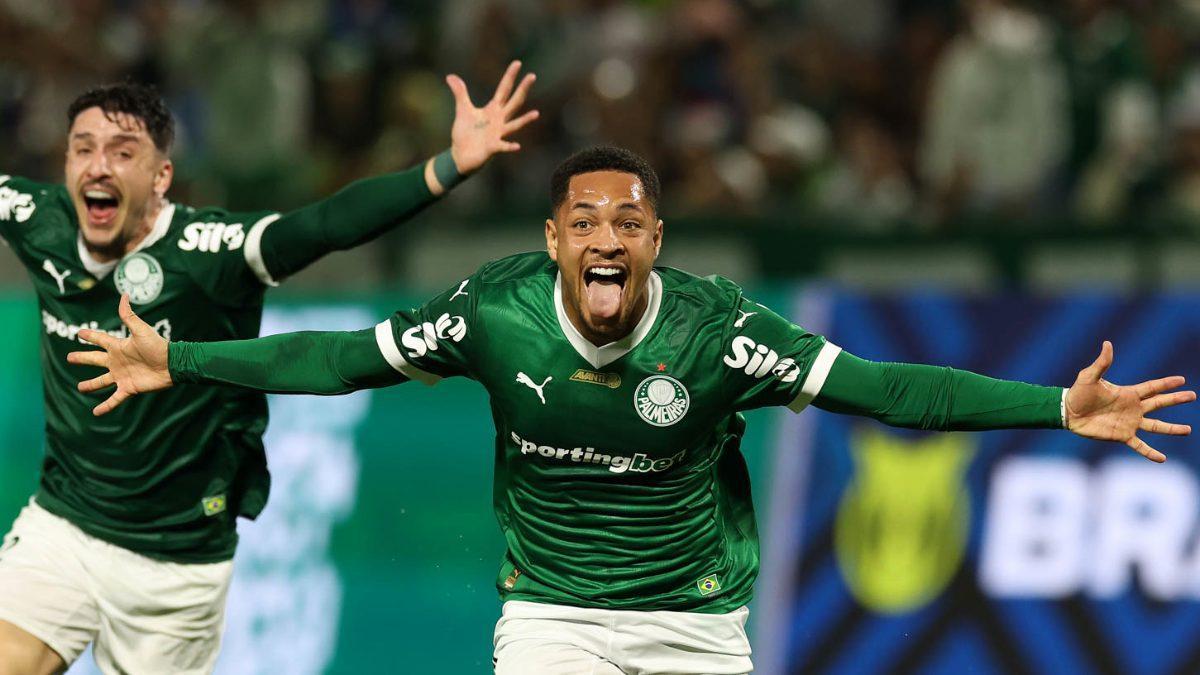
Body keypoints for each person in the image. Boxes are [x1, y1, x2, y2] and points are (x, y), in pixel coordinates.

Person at [70, 146, 1194, 675]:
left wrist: (1056, 404)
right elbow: (340, 360)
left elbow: (894, 389)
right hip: (553, 617)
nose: (607, 236)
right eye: (586, 220)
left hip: (696, 623)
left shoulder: (720, 332)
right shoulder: (493, 314)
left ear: (656, 241)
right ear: (554, 239)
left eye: (631, 221)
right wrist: (188, 359)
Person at [0, 61, 538, 675]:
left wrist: (447, 168)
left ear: (160, 177)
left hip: (178, 561)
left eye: (123, 153)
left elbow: (326, 226)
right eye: (83, 149)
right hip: (63, 528)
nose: (98, 166)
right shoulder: (34, 217)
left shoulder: (212, 252)